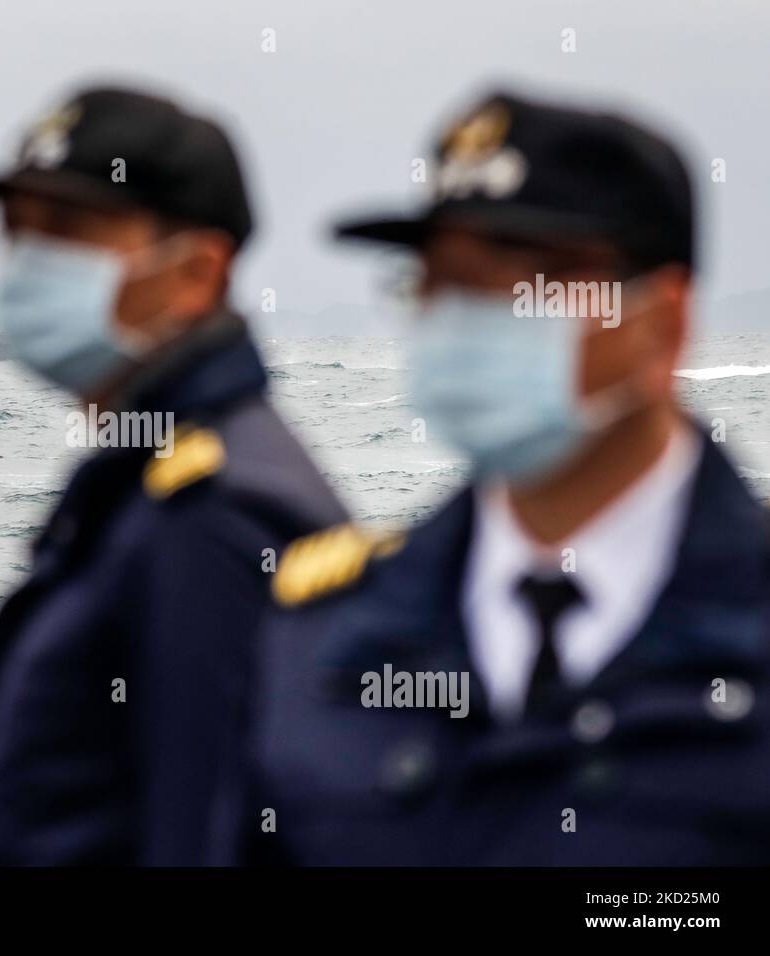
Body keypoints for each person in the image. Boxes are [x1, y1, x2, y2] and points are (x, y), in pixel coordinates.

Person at [242, 89, 770, 864]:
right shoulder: (320, 646)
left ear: (665, 322)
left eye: (530, 283)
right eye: (443, 283)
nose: (470, 319)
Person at [0, 86, 347, 864]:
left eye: (68, 231)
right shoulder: (140, 481)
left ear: (195, 271)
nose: (26, 265)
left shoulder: (214, 519)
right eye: (17, 230)